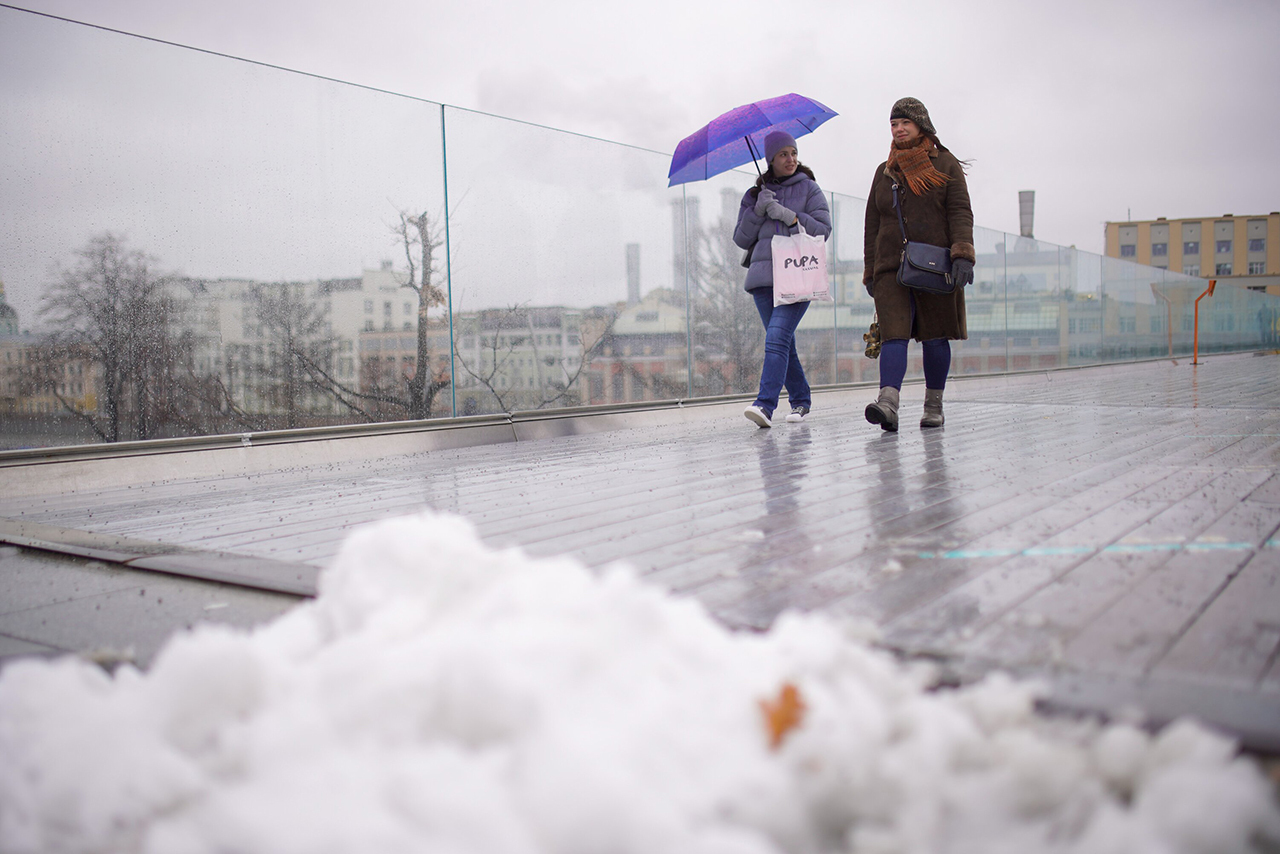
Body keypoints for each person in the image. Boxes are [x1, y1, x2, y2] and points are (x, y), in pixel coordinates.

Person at [862, 97, 975, 431]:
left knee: (935, 336)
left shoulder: (946, 165)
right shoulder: (884, 172)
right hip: (890, 268)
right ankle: (888, 404)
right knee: (894, 335)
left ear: (921, 125)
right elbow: (872, 225)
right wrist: (871, 269)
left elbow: (959, 211)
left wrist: (962, 254)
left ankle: (933, 405)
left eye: (904, 123)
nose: (898, 130)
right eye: (893, 124)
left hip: (935, 265)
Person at [733, 130, 833, 428]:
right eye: (783, 155)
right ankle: (801, 400)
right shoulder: (754, 195)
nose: (790, 159)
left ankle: (765, 405)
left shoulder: (809, 189)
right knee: (783, 343)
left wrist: (789, 216)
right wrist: (758, 211)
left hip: (797, 276)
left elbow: (823, 230)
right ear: (770, 160)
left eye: (793, 153)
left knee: (776, 337)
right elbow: (741, 238)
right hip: (764, 280)